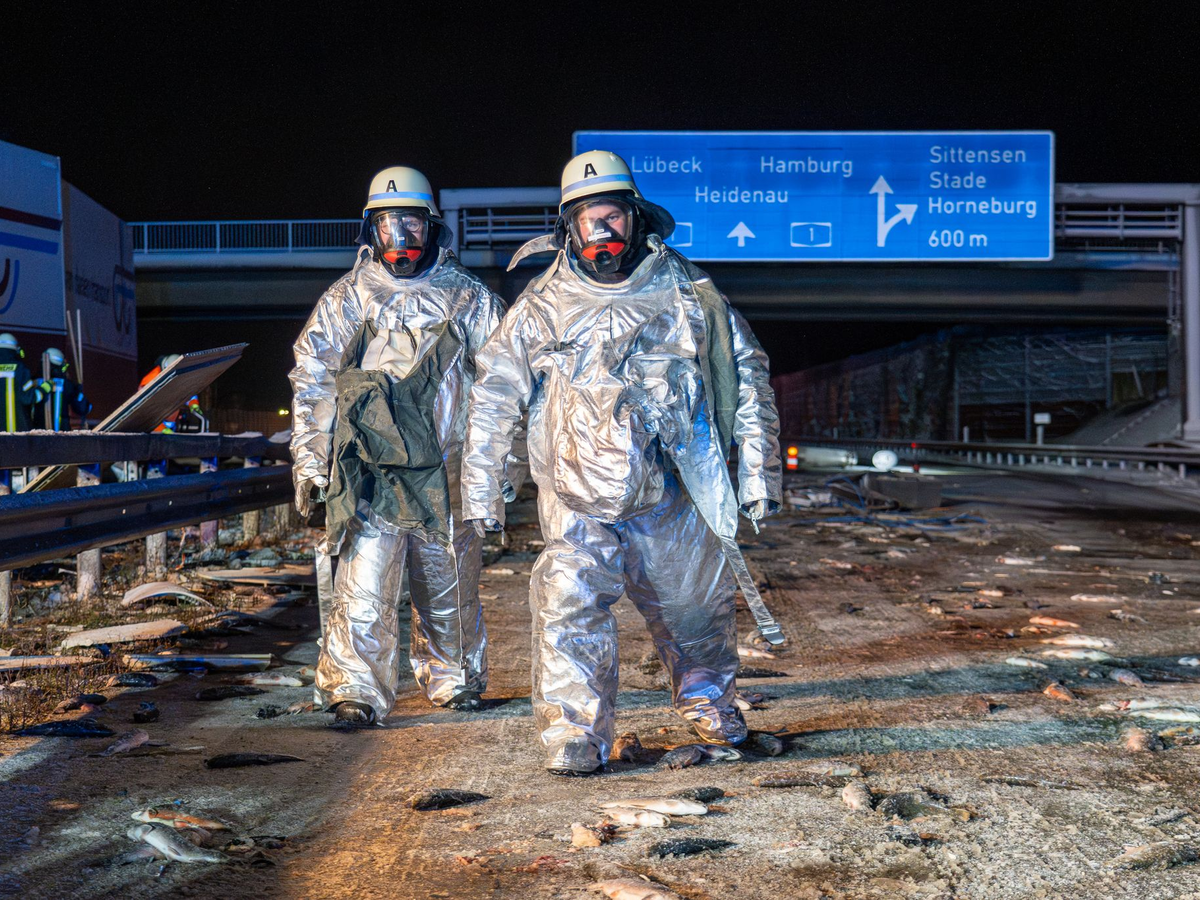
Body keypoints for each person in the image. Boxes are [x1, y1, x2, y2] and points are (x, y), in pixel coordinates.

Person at [461, 150, 782, 775]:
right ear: (568, 228)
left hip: (673, 487)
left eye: (612, 217)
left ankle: (711, 704)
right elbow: (494, 395)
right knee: (568, 606)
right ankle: (574, 733)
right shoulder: (542, 305)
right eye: (588, 220)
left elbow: (746, 379)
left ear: (636, 219)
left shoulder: (689, 294)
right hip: (576, 492)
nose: (601, 232)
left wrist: (757, 473)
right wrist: (483, 489)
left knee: (694, 609)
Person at [290, 166, 510, 728]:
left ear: (431, 227)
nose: (400, 239)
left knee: (449, 588)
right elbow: (314, 381)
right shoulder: (348, 299)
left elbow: (505, 386)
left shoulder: (469, 300)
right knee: (364, 586)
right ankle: (355, 690)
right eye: (388, 226)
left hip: (446, 473)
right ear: (371, 229)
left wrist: (501, 468)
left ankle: (455, 679)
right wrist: (313, 462)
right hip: (371, 474)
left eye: (411, 225)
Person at [139, 354, 202, 432]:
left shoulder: (178, 375)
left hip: (170, 422)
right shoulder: (150, 382)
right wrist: (161, 429)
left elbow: (188, 391)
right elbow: (145, 411)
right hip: (155, 425)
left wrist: (193, 404)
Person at [0, 333, 50, 432]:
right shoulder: (21, 369)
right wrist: (45, 387)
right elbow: (28, 398)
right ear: (16, 349)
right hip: (18, 428)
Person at [40, 347, 92, 431]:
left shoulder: (33, 382)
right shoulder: (66, 385)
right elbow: (82, 409)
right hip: (60, 431)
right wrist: (79, 393)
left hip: (35, 432)